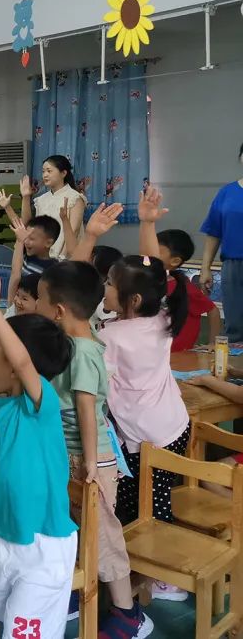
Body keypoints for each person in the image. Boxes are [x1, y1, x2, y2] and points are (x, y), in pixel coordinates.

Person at [0, 269, 77, 638]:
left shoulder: (39, 406)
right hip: (0, 531)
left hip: (42, 543)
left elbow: (24, 364)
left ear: (14, 367)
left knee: (25, 630)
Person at [37, 260, 152, 635]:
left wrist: (88, 462)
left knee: (102, 536)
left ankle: (128, 613)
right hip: (72, 455)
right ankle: (77, 588)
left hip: (91, 459)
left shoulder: (83, 351)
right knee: (74, 528)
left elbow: (87, 409)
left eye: (39, 299)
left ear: (58, 310)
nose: (35, 305)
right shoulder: (71, 344)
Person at [76, 192, 191, 528]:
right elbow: (153, 269)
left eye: (110, 284)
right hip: (173, 426)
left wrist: (90, 237)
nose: (104, 287)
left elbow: (71, 289)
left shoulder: (111, 336)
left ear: (134, 299)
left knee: (145, 513)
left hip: (144, 441)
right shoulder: (162, 317)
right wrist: (147, 223)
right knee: (153, 503)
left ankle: (159, 561)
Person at [200, 144, 243, 341]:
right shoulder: (227, 192)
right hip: (233, 266)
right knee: (234, 325)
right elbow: (213, 232)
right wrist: (205, 268)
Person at [158, 228, 221, 351]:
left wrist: (213, 343)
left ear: (175, 261)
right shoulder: (148, 284)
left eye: (155, 251)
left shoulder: (183, 288)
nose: (147, 254)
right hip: (155, 352)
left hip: (178, 354)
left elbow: (213, 311)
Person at [21, 155, 86, 259]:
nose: (45, 175)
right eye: (43, 171)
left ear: (63, 173)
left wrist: (62, 258)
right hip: (44, 258)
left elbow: (74, 230)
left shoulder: (75, 197)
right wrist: (25, 197)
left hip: (68, 259)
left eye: (49, 171)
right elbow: (28, 225)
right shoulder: (41, 199)